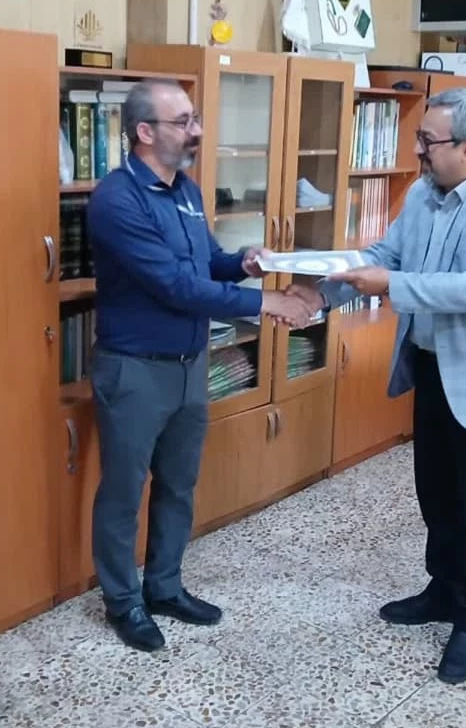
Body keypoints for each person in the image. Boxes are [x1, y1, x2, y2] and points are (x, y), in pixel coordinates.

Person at [287, 87, 466, 684]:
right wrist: (320, 294)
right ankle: (442, 590)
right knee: (437, 493)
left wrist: (390, 286)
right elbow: (384, 255)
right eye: (419, 138)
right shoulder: (424, 195)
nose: (418, 150)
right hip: (431, 368)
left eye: (428, 140)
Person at [86, 79, 313, 652]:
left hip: (190, 365)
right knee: (123, 493)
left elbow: (205, 264)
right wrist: (266, 302)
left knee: (179, 484)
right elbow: (174, 286)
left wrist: (243, 263)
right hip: (135, 370)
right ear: (144, 132)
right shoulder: (117, 200)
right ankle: (123, 601)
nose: (197, 130)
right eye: (184, 121)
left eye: (195, 118)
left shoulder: (186, 190)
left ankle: (164, 586)